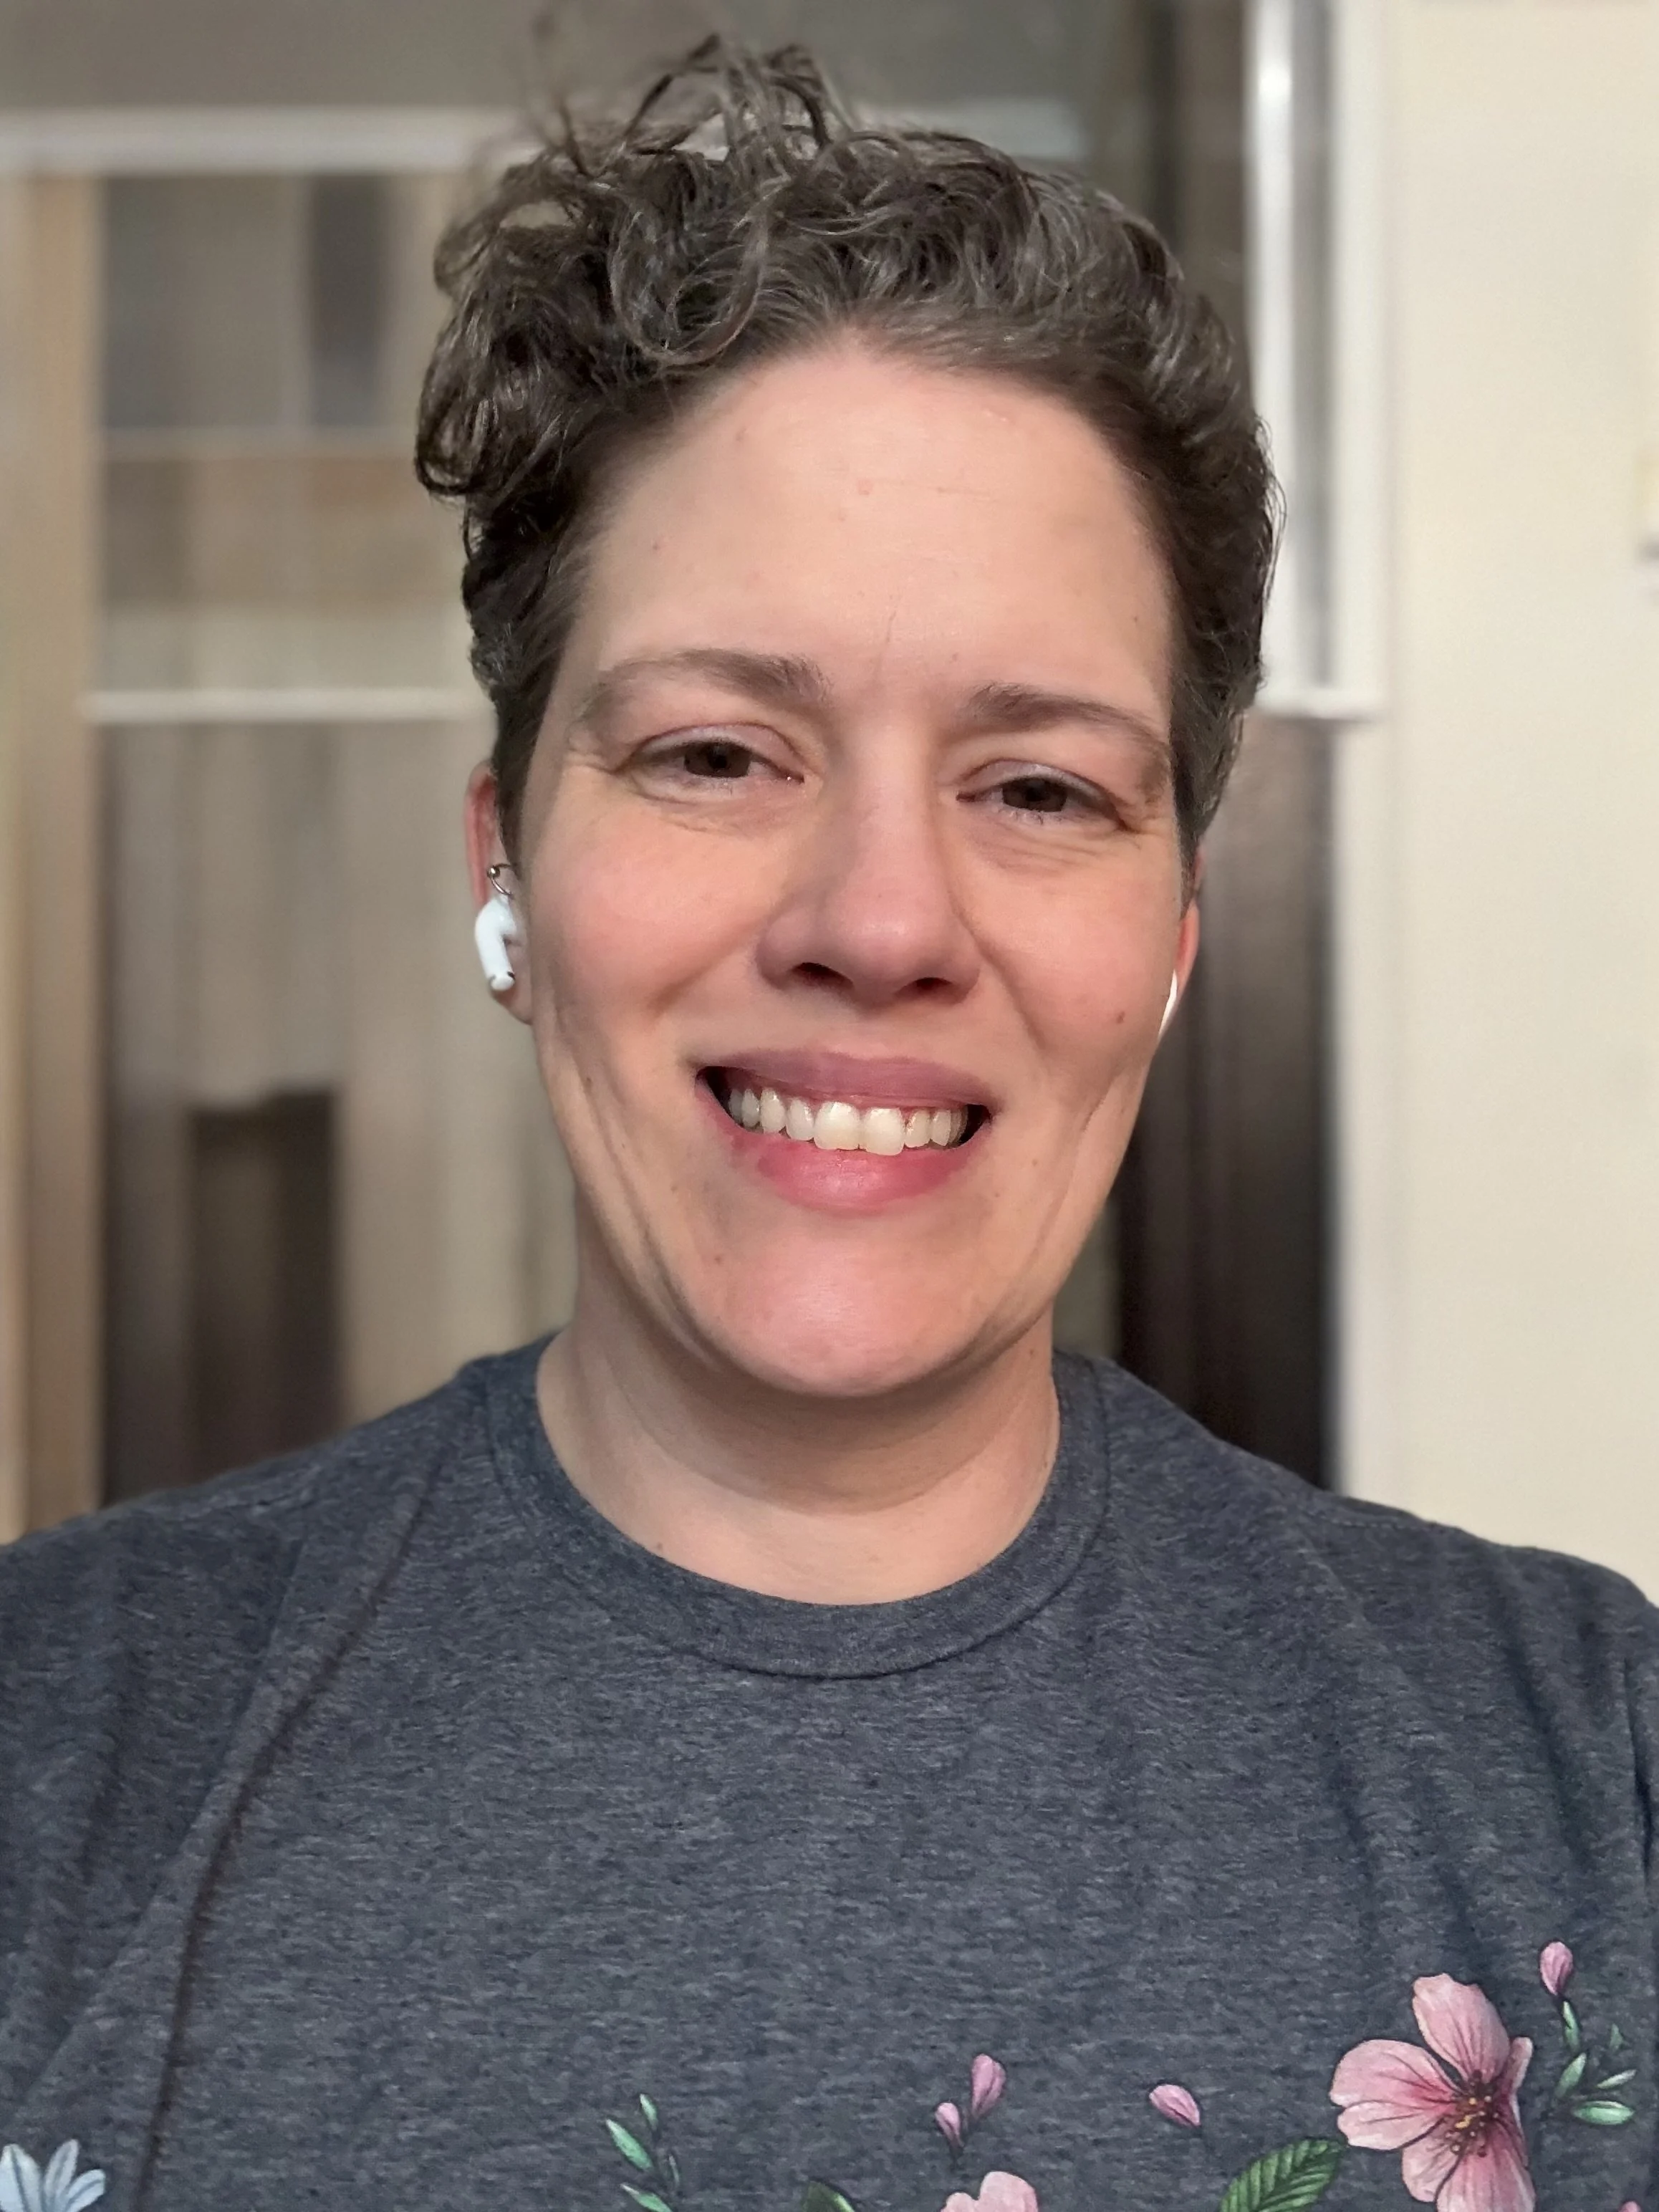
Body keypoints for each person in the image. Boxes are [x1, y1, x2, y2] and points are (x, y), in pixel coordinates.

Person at [1, 39, 1654, 2212]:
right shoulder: (54, 1755)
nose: (879, 922)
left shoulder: (1588, 1771)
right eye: (713, 754)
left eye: (1039, 788)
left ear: (1166, 939)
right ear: (506, 867)